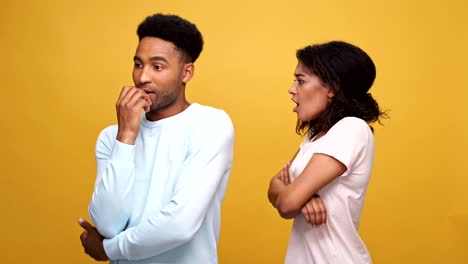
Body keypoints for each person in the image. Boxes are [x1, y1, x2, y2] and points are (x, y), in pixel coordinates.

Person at [78, 13, 234, 263]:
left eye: (157, 66)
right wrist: (126, 137)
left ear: (187, 73)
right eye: (138, 64)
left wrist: (109, 250)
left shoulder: (211, 125)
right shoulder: (112, 137)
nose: (142, 78)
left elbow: (181, 224)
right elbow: (107, 224)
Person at [268, 41, 386, 263]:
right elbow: (273, 186)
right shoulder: (315, 136)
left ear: (331, 87)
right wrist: (303, 196)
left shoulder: (351, 128)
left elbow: (286, 204)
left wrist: (295, 195)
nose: (292, 89)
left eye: (301, 81)